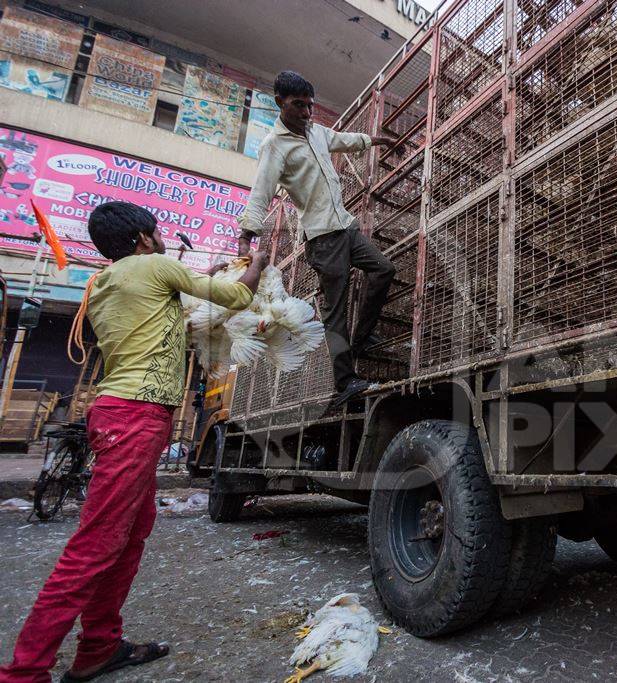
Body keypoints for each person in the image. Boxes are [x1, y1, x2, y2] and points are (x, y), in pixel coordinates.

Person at [0, 202, 268, 683]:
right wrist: (258, 265)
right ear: (145, 238)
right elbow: (237, 295)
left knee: (129, 536)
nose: (163, 238)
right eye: (158, 233)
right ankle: (24, 672)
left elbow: (165, 308)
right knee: (96, 544)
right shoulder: (156, 265)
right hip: (136, 415)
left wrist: (196, 279)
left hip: (120, 413)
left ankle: (98, 647)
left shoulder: (107, 282)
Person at [238, 70, 398, 409]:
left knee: (384, 269)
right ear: (280, 101)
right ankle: (344, 383)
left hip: (345, 227)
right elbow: (260, 192)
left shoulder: (316, 131)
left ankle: (363, 337)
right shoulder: (274, 146)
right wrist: (247, 235)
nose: (306, 113)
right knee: (335, 313)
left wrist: (373, 140)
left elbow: (342, 139)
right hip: (323, 239)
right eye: (298, 105)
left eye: (310, 106)